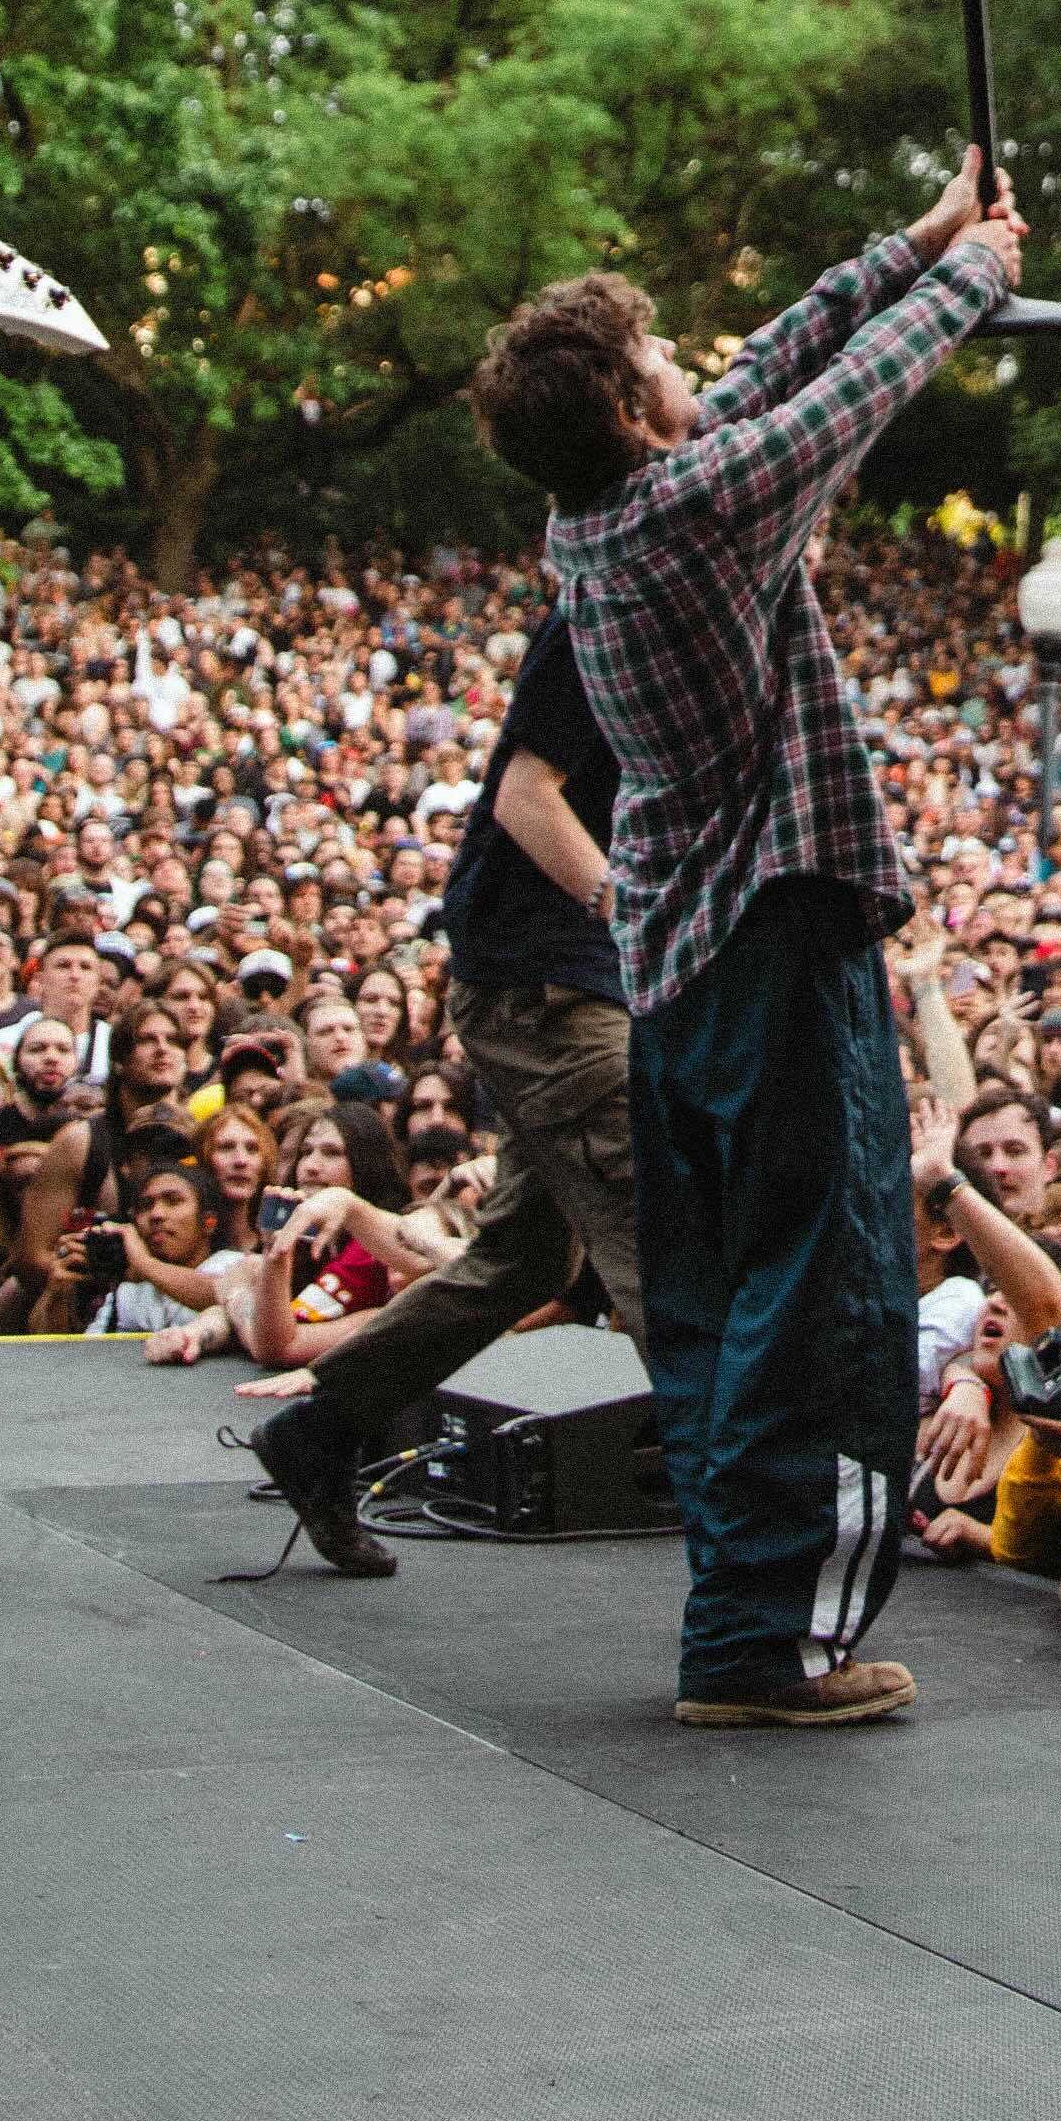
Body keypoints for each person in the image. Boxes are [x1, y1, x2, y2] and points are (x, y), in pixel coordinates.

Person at [470, 157, 1022, 1726]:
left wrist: (913, 239)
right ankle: (773, 1644)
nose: (687, 376)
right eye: (658, 366)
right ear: (638, 419)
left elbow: (773, 368)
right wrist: (972, 275)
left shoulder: (601, 521)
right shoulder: (697, 509)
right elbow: (848, 396)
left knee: (723, 1299)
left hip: (685, 961)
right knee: (823, 1293)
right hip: (778, 937)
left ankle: (737, 1626)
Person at [222, 612, 640, 1575]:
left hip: (572, 979)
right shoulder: (610, 604)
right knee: (666, 1238)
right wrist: (638, 917)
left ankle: (323, 1431)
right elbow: (526, 800)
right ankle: (751, 1580)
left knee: (529, 1257)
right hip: (551, 982)